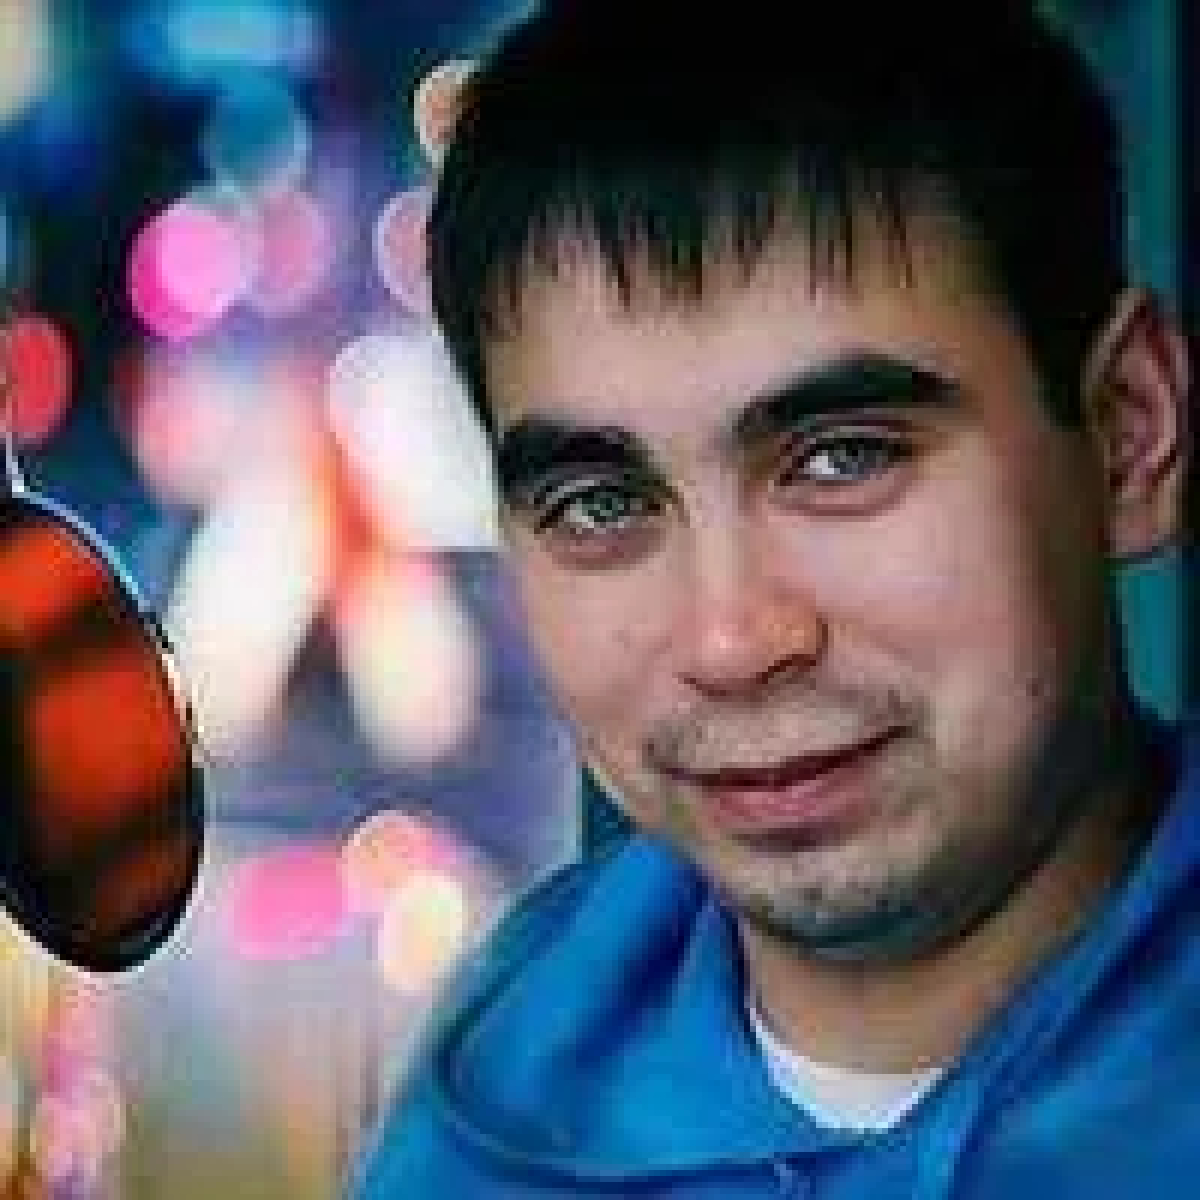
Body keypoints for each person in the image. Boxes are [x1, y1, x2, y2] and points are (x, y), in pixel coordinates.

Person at [350, 1, 1196, 1195]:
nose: (731, 641)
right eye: (600, 503)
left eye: (841, 460)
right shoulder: (493, 1099)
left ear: (1126, 432)